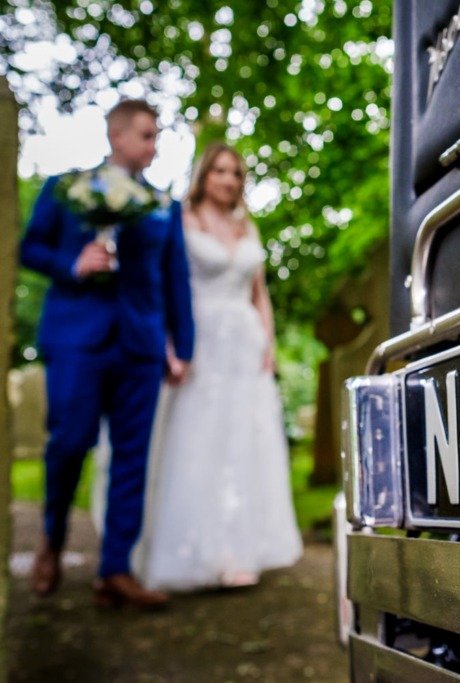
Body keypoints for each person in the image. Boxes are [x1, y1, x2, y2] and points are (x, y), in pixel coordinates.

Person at [20, 99, 194, 609]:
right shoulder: (65, 188)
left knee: (132, 457)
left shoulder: (164, 204)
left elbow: (175, 279)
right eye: (146, 134)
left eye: (156, 135)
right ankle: (51, 538)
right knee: (69, 442)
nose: (153, 144)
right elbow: (30, 248)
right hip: (77, 338)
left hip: (139, 344)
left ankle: (115, 568)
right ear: (116, 137)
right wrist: (72, 262)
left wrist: (181, 346)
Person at [126, 141, 303, 591]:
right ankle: (195, 550)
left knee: (245, 442)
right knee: (199, 440)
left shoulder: (248, 227)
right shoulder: (180, 221)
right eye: (220, 171)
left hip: (245, 345)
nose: (229, 180)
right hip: (199, 341)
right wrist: (169, 344)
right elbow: (167, 286)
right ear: (204, 175)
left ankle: (242, 547)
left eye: (237, 173)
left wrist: (269, 341)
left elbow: (258, 292)